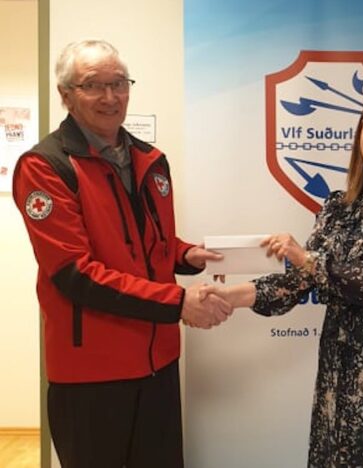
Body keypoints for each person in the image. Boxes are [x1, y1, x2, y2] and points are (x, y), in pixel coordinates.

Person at [203, 85, 363, 467]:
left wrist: (305, 258)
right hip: (341, 375)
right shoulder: (338, 206)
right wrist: (228, 297)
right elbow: (296, 282)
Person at [12, 40, 231, 468]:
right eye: (93, 85)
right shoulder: (44, 167)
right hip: (92, 375)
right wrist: (178, 302)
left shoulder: (151, 159)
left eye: (119, 84)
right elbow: (75, 273)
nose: (110, 97)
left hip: (159, 365)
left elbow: (146, 245)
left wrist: (188, 255)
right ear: (66, 94)